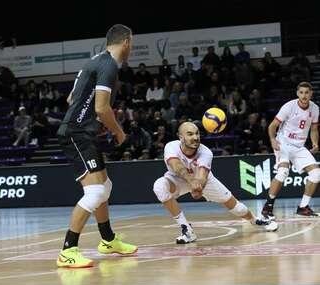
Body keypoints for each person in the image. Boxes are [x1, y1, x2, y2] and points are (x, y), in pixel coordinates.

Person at [56, 24, 137, 268]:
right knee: (95, 193)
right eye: (131, 42)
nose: (131, 47)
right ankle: (67, 251)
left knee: (104, 186)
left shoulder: (95, 61)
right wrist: (118, 131)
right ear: (126, 42)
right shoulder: (109, 66)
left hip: (83, 131)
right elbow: (102, 108)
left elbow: (72, 98)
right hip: (76, 133)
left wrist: (90, 119)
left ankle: (108, 240)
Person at [153, 122, 278, 244]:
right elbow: (177, 167)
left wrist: (198, 187)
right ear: (181, 137)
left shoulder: (206, 152)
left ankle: (255, 220)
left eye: (197, 134)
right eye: (190, 134)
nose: (195, 138)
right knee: (159, 186)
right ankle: (187, 230)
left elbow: (202, 177)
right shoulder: (171, 147)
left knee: (237, 209)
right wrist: (191, 182)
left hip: (205, 182)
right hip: (178, 179)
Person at [262, 82, 320, 219]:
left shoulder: (315, 109)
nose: (304, 95)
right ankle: (268, 207)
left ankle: (303, 207)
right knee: (283, 172)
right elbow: (272, 126)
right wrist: (272, 140)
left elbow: (314, 129)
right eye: (302, 92)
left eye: (307, 92)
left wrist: (315, 143)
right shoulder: (289, 106)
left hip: (299, 147)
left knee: (316, 173)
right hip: (283, 143)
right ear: (297, 93)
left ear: (311, 93)